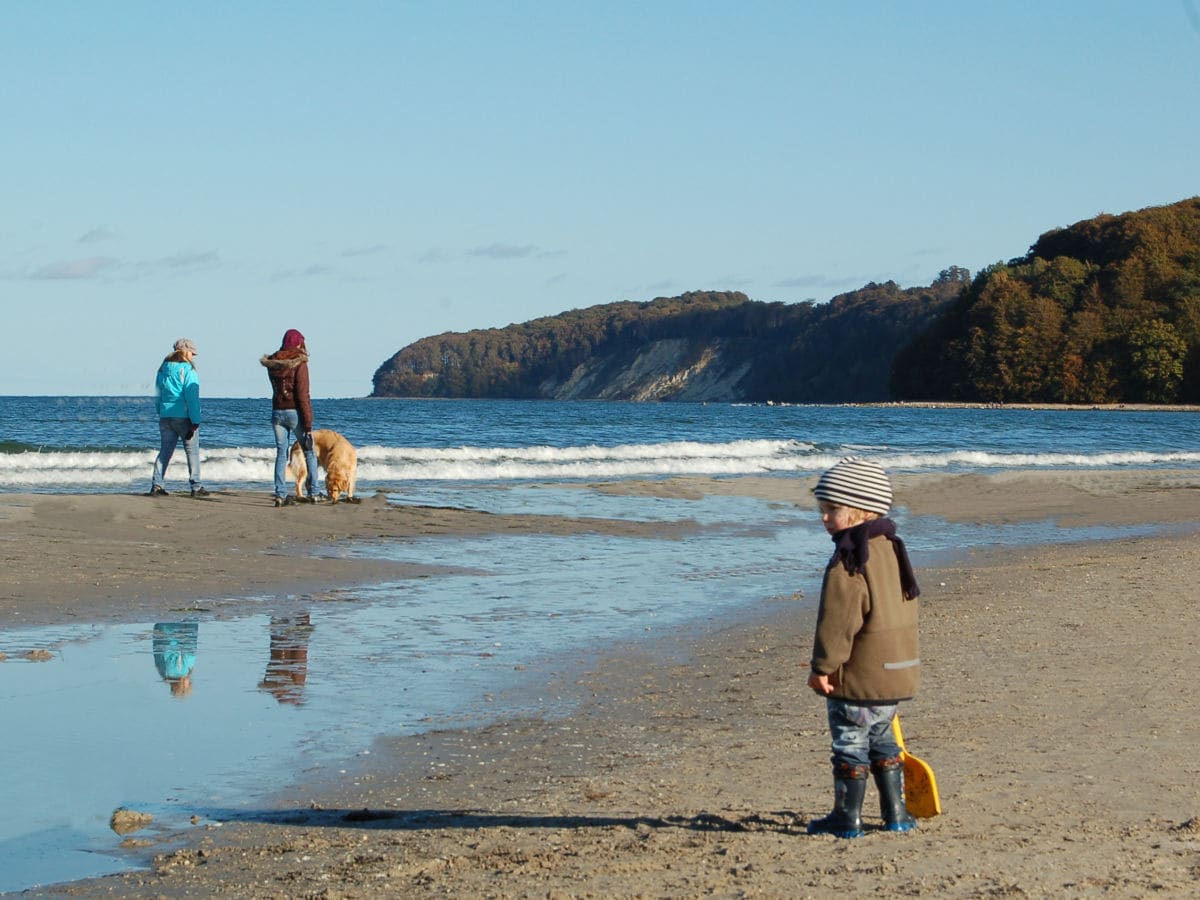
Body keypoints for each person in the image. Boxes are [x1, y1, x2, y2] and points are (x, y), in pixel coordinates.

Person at [805, 456, 920, 838]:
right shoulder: (893, 548)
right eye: (822, 509)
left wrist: (823, 667)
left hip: (857, 675)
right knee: (883, 739)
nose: (824, 518)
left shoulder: (850, 559)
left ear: (862, 511)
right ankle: (896, 812)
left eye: (832, 509)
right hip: (895, 671)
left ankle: (848, 817)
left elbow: (839, 623)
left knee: (850, 741)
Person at [261, 328, 320, 506]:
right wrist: (308, 423)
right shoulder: (300, 364)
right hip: (294, 411)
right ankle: (315, 492)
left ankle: (280, 494)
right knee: (309, 451)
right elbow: (303, 395)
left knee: (281, 453)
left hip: (277, 412)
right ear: (298, 343)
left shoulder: (273, 365)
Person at [149, 338, 209, 498]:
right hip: (184, 417)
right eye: (192, 353)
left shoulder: (162, 369)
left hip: (166, 415)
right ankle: (196, 486)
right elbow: (192, 398)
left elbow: (158, 394)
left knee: (165, 452)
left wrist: (160, 411)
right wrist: (196, 420)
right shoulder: (188, 370)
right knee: (192, 452)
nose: (193, 356)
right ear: (185, 351)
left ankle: (157, 484)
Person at [152, 621, 198, 699]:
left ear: (183, 685)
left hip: (176, 626)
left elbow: (190, 645)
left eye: (189, 683)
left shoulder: (183, 671)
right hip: (161, 626)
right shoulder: (162, 672)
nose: (190, 681)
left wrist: (194, 620)